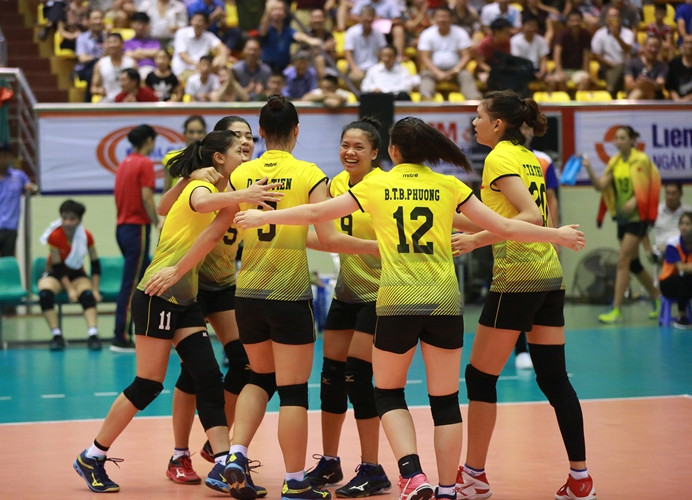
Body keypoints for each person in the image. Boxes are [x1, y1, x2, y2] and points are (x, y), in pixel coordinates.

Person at [232, 115, 586, 500]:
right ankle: (448, 489)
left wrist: (263, 216)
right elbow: (507, 227)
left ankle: (412, 473)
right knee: (445, 402)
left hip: (397, 302)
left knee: (387, 393)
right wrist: (556, 235)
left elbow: (316, 214)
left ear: (391, 150)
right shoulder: (448, 185)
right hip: (444, 304)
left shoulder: (377, 184)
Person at [145, 95, 378, 500]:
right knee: (292, 390)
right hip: (289, 294)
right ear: (297, 131)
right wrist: (382, 247)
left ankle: (234, 454)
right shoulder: (309, 174)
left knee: (258, 376)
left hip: (247, 294)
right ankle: (294, 480)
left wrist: (177, 270)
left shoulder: (241, 174)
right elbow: (328, 238)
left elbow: (214, 231)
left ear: (262, 132)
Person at [73, 130, 273, 494]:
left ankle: (224, 463)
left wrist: (246, 198)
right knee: (148, 384)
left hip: (184, 298)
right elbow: (200, 203)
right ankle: (92, 455)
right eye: (238, 150)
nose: (245, 154)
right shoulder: (200, 187)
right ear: (218, 158)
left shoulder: (223, 197)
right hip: (157, 294)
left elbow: (211, 237)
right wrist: (239, 194)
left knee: (208, 376)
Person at [446, 90, 595, 500]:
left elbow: (529, 217)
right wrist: (453, 218)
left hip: (518, 275)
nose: (473, 123)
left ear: (497, 124)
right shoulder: (528, 156)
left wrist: (475, 241)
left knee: (480, 377)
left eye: (478, 116)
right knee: (554, 379)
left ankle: (473, 476)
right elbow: (508, 216)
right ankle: (580, 478)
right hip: (548, 274)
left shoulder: (499, 158)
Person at [155, 116, 268, 489]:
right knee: (194, 371)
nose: (246, 141)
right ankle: (179, 454)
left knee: (246, 362)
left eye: (250, 136)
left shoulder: (251, 178)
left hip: (223, 282)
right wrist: (189, 177)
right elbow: (163, 208)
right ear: (219, 147)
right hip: (189, 282)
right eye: (237, 136)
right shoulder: (203, 177)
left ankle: (215, 442)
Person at [302, 118, 392, 498]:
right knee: (331, 377)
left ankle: (373, 468)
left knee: (357, 376)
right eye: (345, 145)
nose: (350, 152)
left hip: (381, 293)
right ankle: (330, 461)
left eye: (358, 147)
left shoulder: (386, 186)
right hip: (347, 293)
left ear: (375, 153)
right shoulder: (335, 185)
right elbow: (325, 235)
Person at [581, 125, 661, 324]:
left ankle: (616, 309)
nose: (618, 141)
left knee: (623, 260)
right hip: (623, 218)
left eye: (622, 137)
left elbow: (650, 186)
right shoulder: (615, 162)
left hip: (639, 217)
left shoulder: (641, 160)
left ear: (632, 140)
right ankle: (658, 298)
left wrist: (635, 200)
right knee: (634, 264)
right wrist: (588, 168)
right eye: (616, 138)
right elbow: (600, 186)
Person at [112, 125, 159, 352]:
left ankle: (141, 329)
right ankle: (120, 335)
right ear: (149, 140)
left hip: (122, 228)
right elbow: (147, 197)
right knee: (131, 285)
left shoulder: (124, 163)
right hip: (136, 228)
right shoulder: (145, 163)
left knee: (139, 280)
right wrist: (157, 222)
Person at [38, 199, 102, 351]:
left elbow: (95, 263)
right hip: (55, 274)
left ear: (79, 220)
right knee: (45, 295)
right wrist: (70, 290)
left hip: (77, 273)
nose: (67, 222)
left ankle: (93, 335)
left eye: (72, 219)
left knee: (88, 295)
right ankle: (56, 335)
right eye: (64, 218)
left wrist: (95, 289)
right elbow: (57, 267)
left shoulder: (86, 236)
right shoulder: (54, 236)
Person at [417, 6, 481, 101]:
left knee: (466, 75)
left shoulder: (460, 32)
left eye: (445, 16)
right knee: (425, 75)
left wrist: (455, 70)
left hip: (457, 70)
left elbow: (466, 56)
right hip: (433, 71)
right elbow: (424, 57)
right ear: (434, 18)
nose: (442, 19)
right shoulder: (427, 34)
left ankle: (474, 102)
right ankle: (426, 101)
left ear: (451, 18)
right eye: (439, 16)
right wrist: (438, 73)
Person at [0, 141, 37, 257]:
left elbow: (32, 188)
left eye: (5, 156)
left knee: (8, 261)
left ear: (10, 157)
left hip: (10, 227)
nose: (2, 160)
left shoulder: (19, 176)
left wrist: (32, 188)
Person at [590, 6, 635, 98]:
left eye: (615, 16)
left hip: (625, 67)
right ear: (606, 19)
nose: (613, 19)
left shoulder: (628, 33)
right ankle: (618, 95)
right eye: (610, 16)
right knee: (619, 70)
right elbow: (595, 55)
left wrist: (617, 36)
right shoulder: (599, 34)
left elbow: (627, 50)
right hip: (606, 67)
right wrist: (613, 65)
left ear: (620, 19)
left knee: (625, 70)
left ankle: (611, 91)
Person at [171, 11, 229, 79]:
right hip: (184, 70)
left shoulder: (209, 36)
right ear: (191, 21)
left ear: (206, 25)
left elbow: (223, 49)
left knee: (223, 64)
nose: (197, 23)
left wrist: (219, 58)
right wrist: (199, 65)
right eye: (195, 20)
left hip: (203, 70)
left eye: (200, 21)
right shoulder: (181, 33)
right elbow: (183, 55)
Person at [659, 211, 692, 329]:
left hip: (687, 282)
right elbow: (681, 268)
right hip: (668, 282)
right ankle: (681, 316)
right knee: (685, 278)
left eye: (687, 224)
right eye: (681, 224)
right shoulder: (673, 243)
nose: (684, 227)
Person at [546, 10, 593, 93]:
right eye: (572, 21)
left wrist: (586, 72)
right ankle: (564, 100)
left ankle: (578, 100)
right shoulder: (562, 34)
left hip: (578, 70)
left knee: (585, 79)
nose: (575, 23)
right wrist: (559, 71)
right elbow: (557, 54)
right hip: (563, 69)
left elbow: (587, 54)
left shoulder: (586, 35)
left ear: (581, 21)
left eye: (577, 20)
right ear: (567, 22)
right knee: (559, 80)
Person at [343, 4, 388, 89]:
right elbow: (348, 52)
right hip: (357, 68)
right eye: (367, 16)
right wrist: (354, 69)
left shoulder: (379, 34)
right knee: (357, 78)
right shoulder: (352, 32)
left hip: (374, 69)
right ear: (360, 17)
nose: (369, 19)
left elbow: (383, 51)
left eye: (371, 16)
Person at [648, 182, 691, 262]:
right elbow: (643, 232)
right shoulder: (656, 211)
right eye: (668, 193)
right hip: (661, 254)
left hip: (684, 253)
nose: (670, 197)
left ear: (680, 194)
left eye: (674, 193)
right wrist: (649, 251)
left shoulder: (689, 212)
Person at [90, 32, 136, 102]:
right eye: (109, 42)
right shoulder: (100, 64)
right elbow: (93, 88)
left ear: (122, 44)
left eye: (115, 42)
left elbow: (138, 85)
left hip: (126, 102)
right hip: (107, 102)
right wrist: (100, 91)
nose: (112, 45)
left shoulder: (131, 63)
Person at [74, 9, 106, 102]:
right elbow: (82, 58)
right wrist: (98, 59)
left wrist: (107, 38)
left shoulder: (108, 37)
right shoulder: (82, 38)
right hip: (86, 69)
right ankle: (88, 102)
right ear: (89, 21)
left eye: (100, 18)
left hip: (103, 67)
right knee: (92, 70)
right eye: (95, 18)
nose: (98, 21)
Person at [624, 34, 668, 100]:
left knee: (648, 90)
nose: (653, 49)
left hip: (655, 100)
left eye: (656, 47)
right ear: (644, 46)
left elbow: (660, 84)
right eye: (650, 46)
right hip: (634, 96)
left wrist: (648, 83)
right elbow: (628, 84)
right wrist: (639, 84)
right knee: (640, 91)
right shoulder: (631, 63)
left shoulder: (662, 66)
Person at [123, 11, 161, 79]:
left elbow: (157, 53)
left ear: (148, 26)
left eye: (143, 24)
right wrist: (148, 55)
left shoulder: (154, 42)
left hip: (151, 71)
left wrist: (137, 52)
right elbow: (127, 55)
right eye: (137, 24)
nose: (140, 27)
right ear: (131, 24)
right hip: (132, 72)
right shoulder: (126, 42)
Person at [665, 34, 692, 102]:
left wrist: (686, 100)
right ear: (682, 45)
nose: (689, 46)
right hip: (676, 103)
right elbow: (671, 88)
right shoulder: (673, 64)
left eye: (691, 43)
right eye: (686, 43)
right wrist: (678, 102)